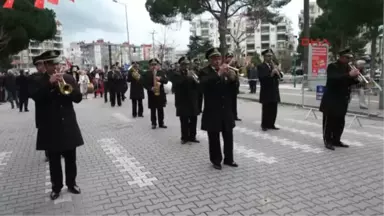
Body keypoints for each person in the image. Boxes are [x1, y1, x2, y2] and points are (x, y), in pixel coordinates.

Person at [29, 50, 84, 200]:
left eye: (57, 63)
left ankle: (71, 183)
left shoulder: (68, 78)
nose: (56, 66)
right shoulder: (37, 80)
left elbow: (78, 98)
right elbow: (36, 97)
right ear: (45, 65)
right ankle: (56, 187)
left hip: (67, 125)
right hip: (50, 126)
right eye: (52, 64)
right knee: (54, 161)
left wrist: (69, 89)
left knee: (71, 159)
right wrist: (49, 83)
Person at [200, 48, 238, 170]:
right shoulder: (204, 72)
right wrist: (218, 74)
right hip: (212, 110)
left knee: (228, 135)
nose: (217, 61)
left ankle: (229, 159)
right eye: (214, 58)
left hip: (226, 109)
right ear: (209, 60)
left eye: (218, 58)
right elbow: (203, 86)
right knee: (214, 137)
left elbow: (233, 92)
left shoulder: (226, 70)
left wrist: (233, 79)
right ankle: (216, 160)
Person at [319, 48, 360, 150]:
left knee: (340, 121)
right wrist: (349, 75)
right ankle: (327, 141)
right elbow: (334, 79)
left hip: (343, 99)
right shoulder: (332, 66)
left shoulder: (348, 68)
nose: (349, 60)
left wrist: (357, 79)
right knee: (329, 122)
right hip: (331, 99)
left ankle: (336, 140)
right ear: (341, 57)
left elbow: (348, 82)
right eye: (347, 58)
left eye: (349, 58)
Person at [171, 56, 200, 144]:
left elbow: (198, 86)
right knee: (184, 120)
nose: (186, 66)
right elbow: (178, 84)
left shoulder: (192, 73)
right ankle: (184, 137)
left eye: (187, 64)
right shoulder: (176, 74)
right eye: (184, 64)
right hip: (182, 100)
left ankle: (192, 136)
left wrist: (196, 80)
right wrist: (188, 77)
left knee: (193, 119)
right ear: (180, 65)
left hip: (192, 100)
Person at [257, 49, 283, 131]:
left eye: (271, 56)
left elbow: (280, 76)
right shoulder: (261, 66)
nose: (270, 57)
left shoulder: (273, 65)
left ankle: (271, 124)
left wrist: (278, 71)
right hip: (266, 91)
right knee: (266, 109)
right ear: (264, 57)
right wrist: (272, 73)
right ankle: (264, 125)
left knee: (274, 109)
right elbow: (262, 79)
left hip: (274, 91)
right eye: (268, 56)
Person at [141, 58, 168, 129]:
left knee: (160, 109)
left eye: (155, 64)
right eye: (152, 65)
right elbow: (144, 84)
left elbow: (166, 81)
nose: (153, 66)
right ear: (149, 66)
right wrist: (150, 88)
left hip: (160, 93)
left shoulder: (161, 72)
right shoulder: (147, 73)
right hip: (151, 93)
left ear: (157, 65)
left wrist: (160, 79)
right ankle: (153, 123)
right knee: (153, 109)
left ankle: (161, 123)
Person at [225, 52, 241, 121]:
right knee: (228, 103)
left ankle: (235, 116)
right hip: (228, 87)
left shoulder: (234, 66)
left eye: (231, 57)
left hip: (234, 86)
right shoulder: (225, 66)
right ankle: (229, 116)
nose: (231, 58)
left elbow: (239, 69)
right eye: (229, 57)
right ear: (226, 58)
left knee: (234, 103)